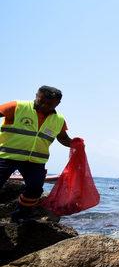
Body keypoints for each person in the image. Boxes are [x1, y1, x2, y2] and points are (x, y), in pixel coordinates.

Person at [0, 86, 74, 222]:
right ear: (36, 95)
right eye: (41, 101)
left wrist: (75, 144)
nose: (44, 106)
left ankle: (20, 216)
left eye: (50, 104)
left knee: (35, 189)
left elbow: (62, 138)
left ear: (57, 104)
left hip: (35, 161)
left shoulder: (59, 120)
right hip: (6, 156)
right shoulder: (17, 106)